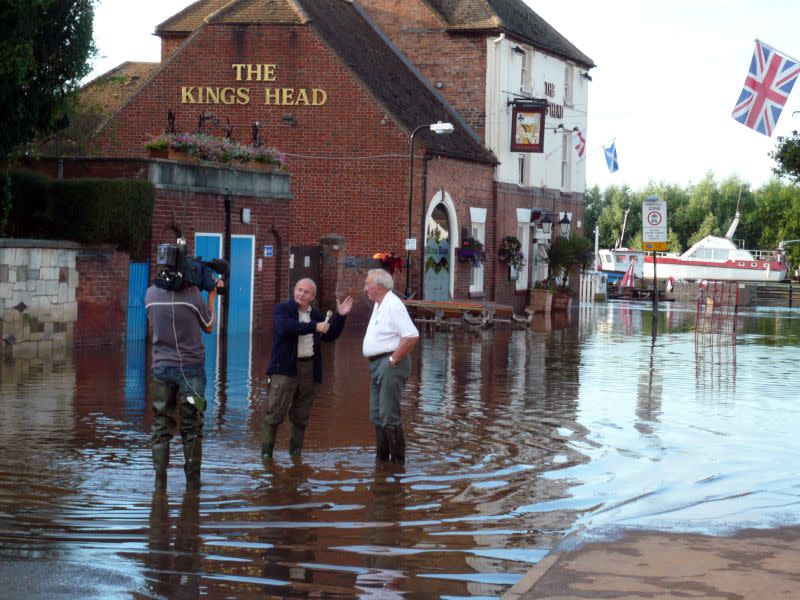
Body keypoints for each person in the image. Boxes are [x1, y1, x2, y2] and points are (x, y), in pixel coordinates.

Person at [145, 274, 223, 490]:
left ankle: (159, 484)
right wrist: (212, 295)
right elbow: (208, 326)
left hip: (160, 369)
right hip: (191, 371)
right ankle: (193, 485)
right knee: (192, 426)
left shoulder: (150, 293)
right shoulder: (193, 294)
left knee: (161, 424)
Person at [262, 278, 353, 459]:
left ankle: (296, 457)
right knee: (275, 412)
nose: (301, 294)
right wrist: (314, 326)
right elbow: (284, 328)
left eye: (306, 292)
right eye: (299, 290)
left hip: (308, 369)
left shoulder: (316, 315)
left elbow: (330, 334)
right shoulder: (282, 310)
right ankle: (266, 457)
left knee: (301, 415)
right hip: (284, 370)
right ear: (294, 290)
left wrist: (341, 316)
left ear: (313, 296)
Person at [362, 269, 419, 463]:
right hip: (378, 364)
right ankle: (382, 460)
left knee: (388, 415)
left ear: (378, 287)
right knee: (377, 415)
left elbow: (411, 336)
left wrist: (392, 361)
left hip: (390, 364)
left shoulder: (393, 305)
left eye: (367, 284)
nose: (365, 289)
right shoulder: (380, 305)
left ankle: (397, 464)